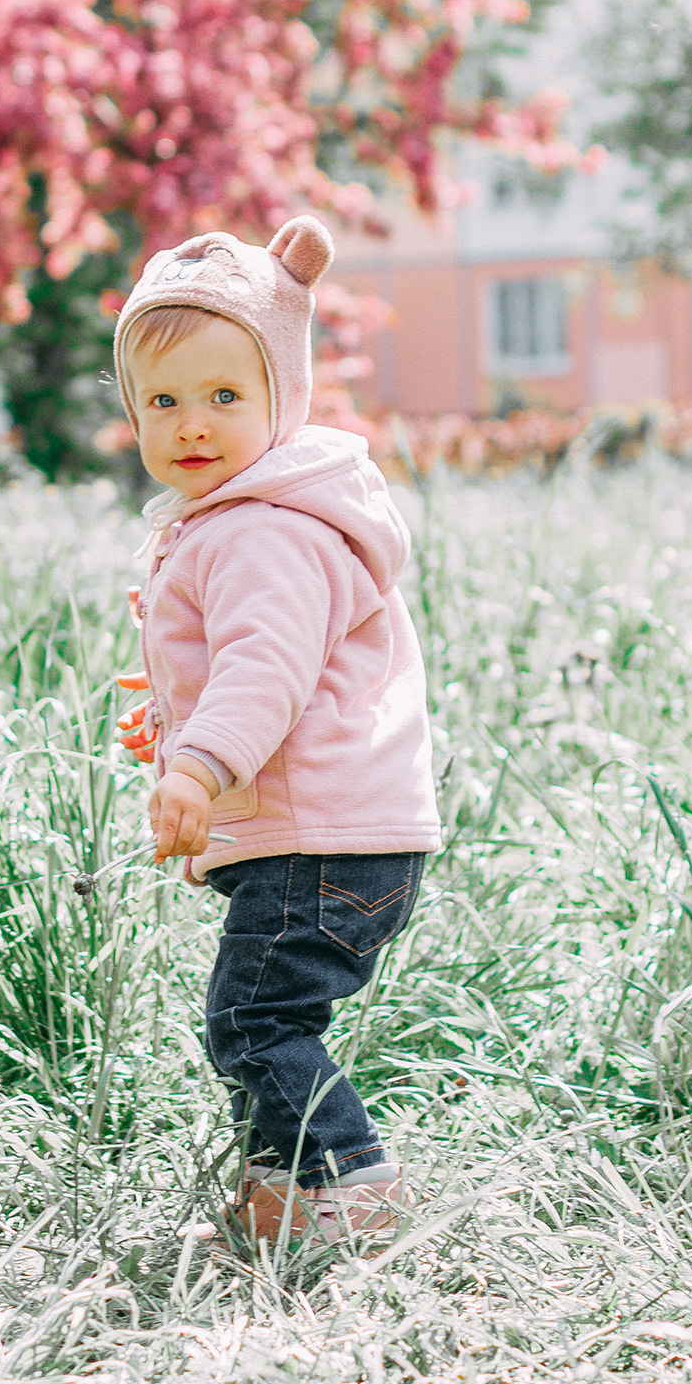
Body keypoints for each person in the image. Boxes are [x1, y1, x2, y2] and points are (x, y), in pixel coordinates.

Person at [113, 215, 440, 1245]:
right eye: (161, 401)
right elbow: (236, 659)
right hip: (329, 828)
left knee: (254, 1021)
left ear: (281, 399)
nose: (191, 423)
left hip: (320, 832)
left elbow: (265, 668)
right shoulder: (241, 518)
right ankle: (284, 1199)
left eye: (223, 396)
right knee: (258, 1018)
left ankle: (348, 1189)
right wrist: (170, 717)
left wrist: (200, 763)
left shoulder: (260, 528)